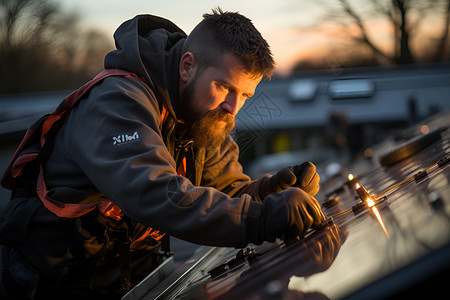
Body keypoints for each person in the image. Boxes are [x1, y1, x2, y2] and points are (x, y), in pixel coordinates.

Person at [0, 8, 325, 299]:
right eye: (225, 87)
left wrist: (270, 192)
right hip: (48, 284)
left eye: (246, 95)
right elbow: (152, 191)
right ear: (187, 66)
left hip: (134, 283)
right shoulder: (117, 101)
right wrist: (263, 218)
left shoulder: (207, 116)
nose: (234, 107)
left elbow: (225, 192)